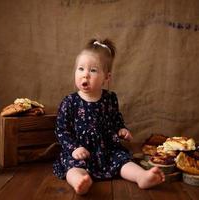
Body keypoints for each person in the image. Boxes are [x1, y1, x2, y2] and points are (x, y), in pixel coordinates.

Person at [53, 38, 165, 195]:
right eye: (80, 69)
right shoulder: (70, 101)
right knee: (73, 166)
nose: (85, 75)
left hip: (107, 149)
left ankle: (141, 176)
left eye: (93, 70)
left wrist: (121, 128)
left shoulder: (110, 98)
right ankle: (79, 181)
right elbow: (61, 130)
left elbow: (115, 118)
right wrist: (74, 148)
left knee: (123, 160)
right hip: (80, 151)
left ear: (106, 77)